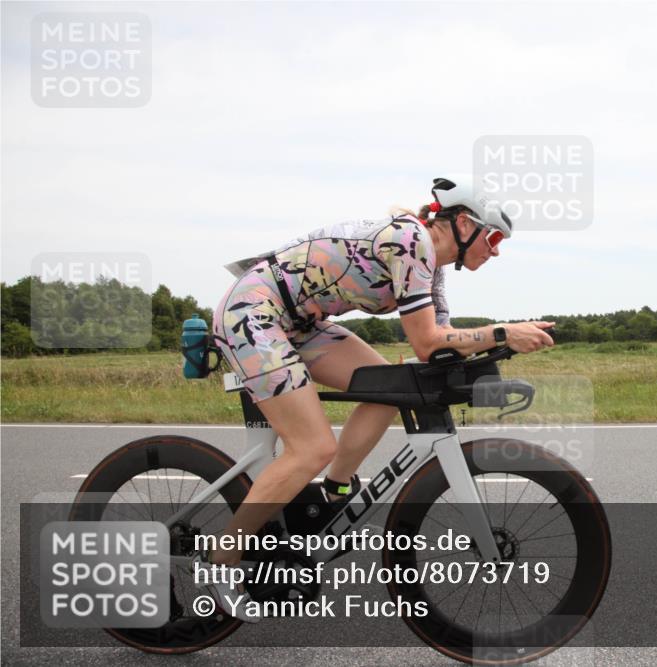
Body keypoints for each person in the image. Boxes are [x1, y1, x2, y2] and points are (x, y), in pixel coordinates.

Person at [199, 175, 555, 621]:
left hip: (299, 323)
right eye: (494, 238)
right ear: (464, 224)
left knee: (390, 387)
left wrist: (497, 344)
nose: (496, 250)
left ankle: (334, 493)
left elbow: (440, 345)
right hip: (254, 313)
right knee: (311, 448)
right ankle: (220, 560)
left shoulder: (431, 267)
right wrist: (504, 332)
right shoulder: (412, 242)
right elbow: (427, 342)